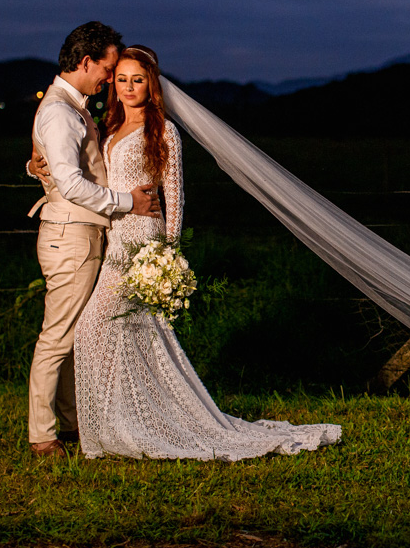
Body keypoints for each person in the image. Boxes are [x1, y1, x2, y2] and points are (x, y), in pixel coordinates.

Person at [66, 45, 341, 460]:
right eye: (121, 79)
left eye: (137, 79)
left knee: (96, 328)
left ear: (152, 83)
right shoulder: (112, 125)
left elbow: (173, 197)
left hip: (144, 242)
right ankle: (121, 421)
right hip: (114, 240)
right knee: (121, 334)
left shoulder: (163, 131)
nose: (127, 87)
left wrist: (168, 255)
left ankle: (138, 422)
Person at [26, 23, 162, 458]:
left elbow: (57, 164)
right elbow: (69, 182)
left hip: (82, 234)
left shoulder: (72, 107)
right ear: (85, 63)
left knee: (74, 336)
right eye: (107, 68)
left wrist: (34, 166)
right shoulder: (61, 112)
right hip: (72, 237)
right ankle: (43, 436)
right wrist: (128, 202)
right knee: (58, 338)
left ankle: (71, 424)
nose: (110, 77)